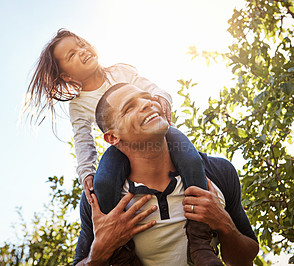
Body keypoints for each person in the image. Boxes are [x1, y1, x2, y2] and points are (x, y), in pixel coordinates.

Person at [24, 29, 220, 265]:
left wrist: (160, 102)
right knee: (103, 183)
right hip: (121, 149)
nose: (83, 51)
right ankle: (121, 251)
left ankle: (199, 238)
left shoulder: (121, 71)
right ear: (66, 76)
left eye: (82, 44)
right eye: (72, 54)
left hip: (161, 133)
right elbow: (83, 140)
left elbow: (154, 89)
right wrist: (86, 172)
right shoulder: (77, 105)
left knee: (191, 160)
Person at [73, 83, 259, 265]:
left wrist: (224, 224)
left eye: (146, 97)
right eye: (130, 107)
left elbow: (244, 260)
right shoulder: (97, 201)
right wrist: (97, 255)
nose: (147, 103)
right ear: (113, 137)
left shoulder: (218, 172)